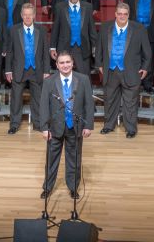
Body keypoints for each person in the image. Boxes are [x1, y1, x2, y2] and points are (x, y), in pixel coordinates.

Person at [39, 51, 95, 199]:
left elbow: (89, 104)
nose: (65, 65)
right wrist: (44, 128)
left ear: (72, 63)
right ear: (57, 65)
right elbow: (44, 106)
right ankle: (48, 187)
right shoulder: (49, 82)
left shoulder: (83, 79)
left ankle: (73, 187)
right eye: (62, 63)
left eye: (68, 62)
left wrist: (88, 125)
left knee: (74, 159)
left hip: (75, 126)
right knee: (51, 160)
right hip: (54, 128)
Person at [95, 3, 151, 138]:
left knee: (130, 102)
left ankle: (131, 129)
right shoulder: (105, 27)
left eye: (125, 14)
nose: (122, 16)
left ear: (128, 15)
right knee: (110, 100)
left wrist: (144, 67)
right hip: (110, 71)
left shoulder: (139, 29)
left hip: (131, 72)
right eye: (119, 13)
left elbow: (147, 52)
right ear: (115, 14)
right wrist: (99, 64)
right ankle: (109, 125)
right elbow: (99, 49)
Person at [5, 3, 50, 134]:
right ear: (21, 15)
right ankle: (14, 124)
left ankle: (38, 124)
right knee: (16, 99)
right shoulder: (14, 30)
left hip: (37, 70)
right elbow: (10, 52)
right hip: (19, 70)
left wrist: (46, 71)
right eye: (25, 15)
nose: (27, 17)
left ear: (34, 15)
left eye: (30, 14)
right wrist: (8, 70)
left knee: (38, 99)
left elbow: (45, 52)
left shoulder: (42, 30)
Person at [50, 0, 97, 75]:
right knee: (63, 77)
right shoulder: (60, 7)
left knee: (85, 78)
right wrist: (52, 47)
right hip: (64, 47)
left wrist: (95, 46)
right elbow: (55, 29)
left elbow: (92, 29)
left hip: (82, 47)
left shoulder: (88, 7)